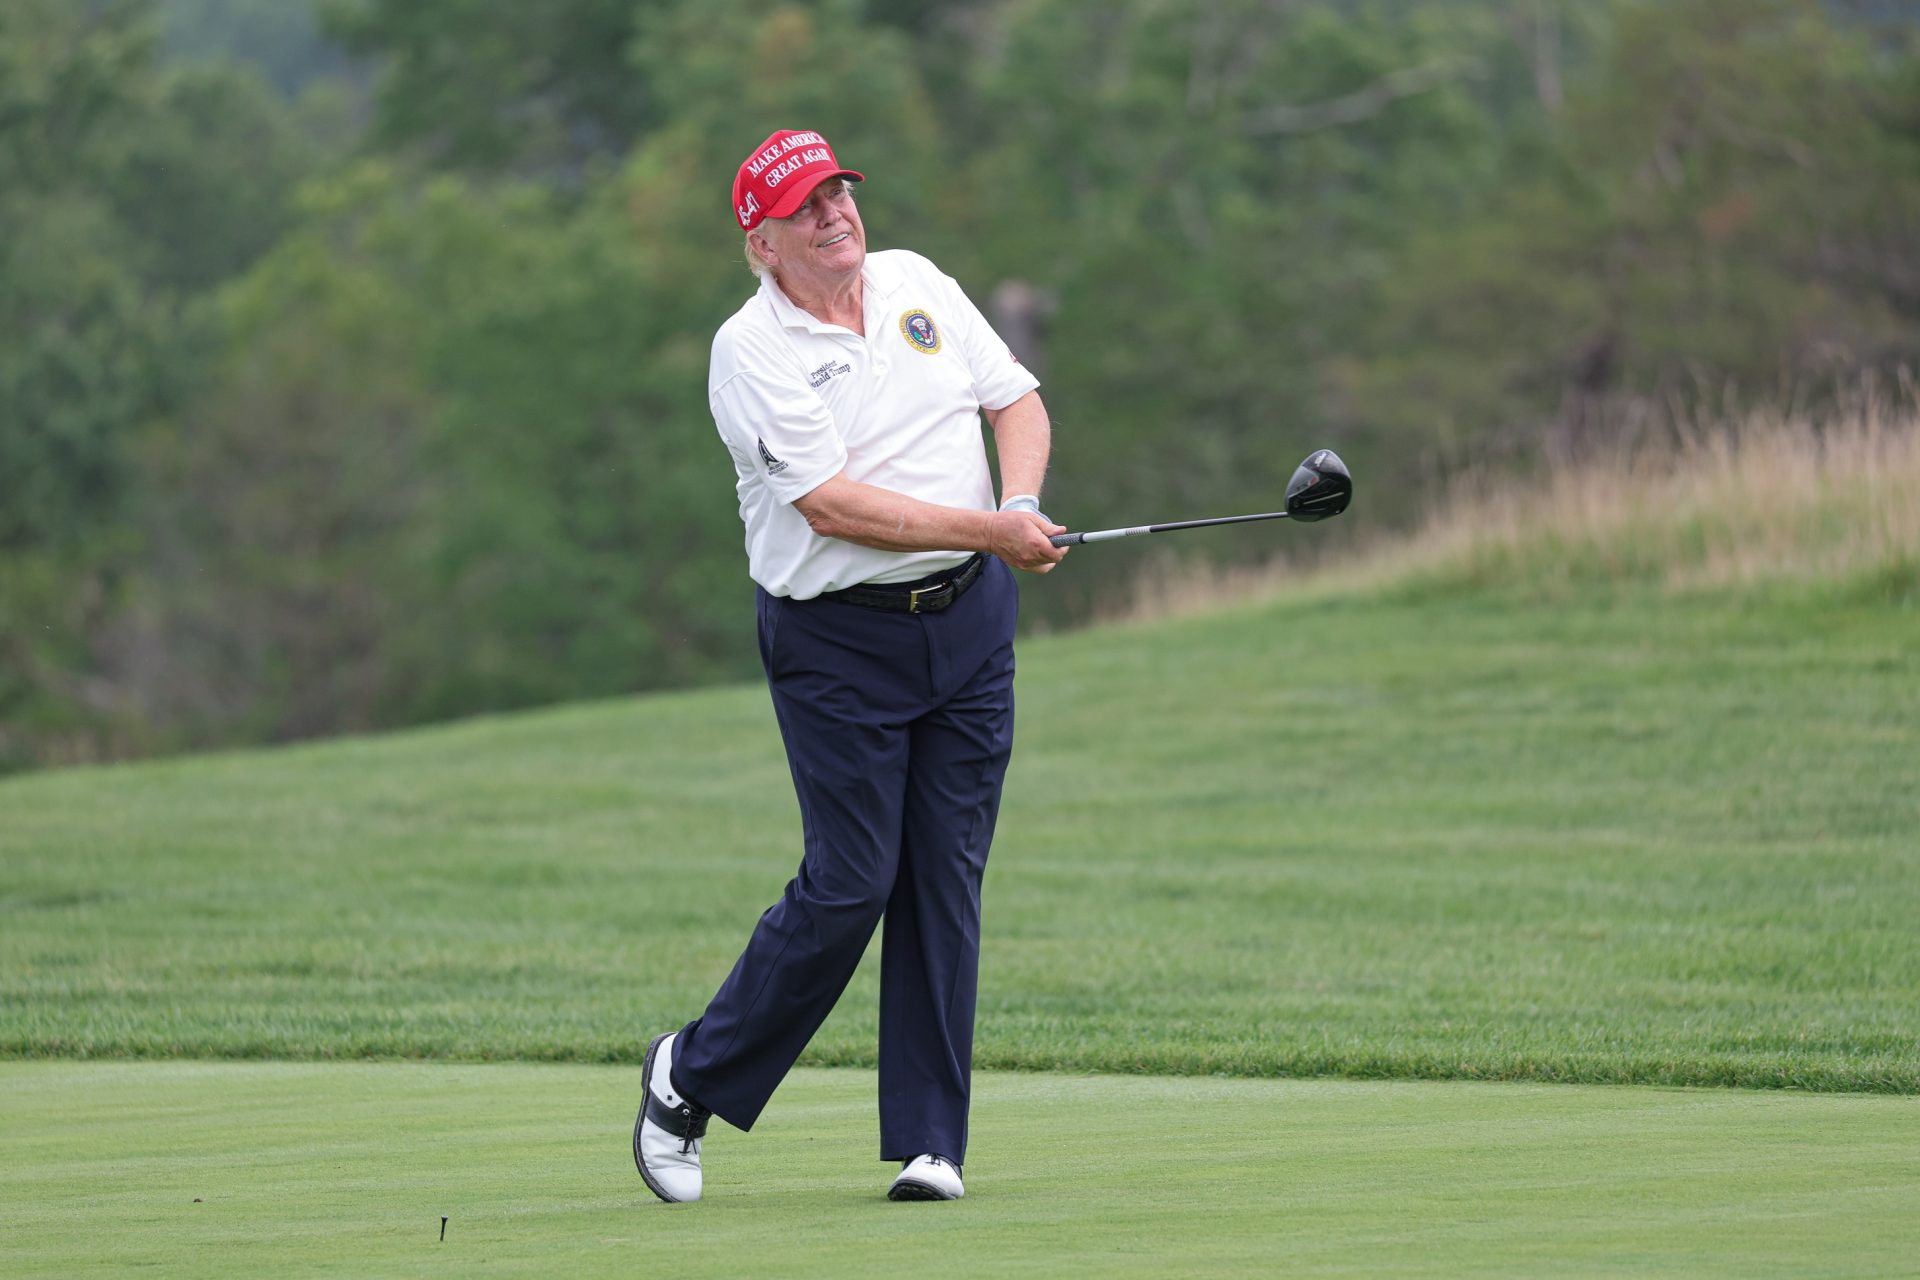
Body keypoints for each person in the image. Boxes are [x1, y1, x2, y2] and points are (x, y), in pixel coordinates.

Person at [633, 128, 1067, 1204]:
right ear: (762, 240)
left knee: (944, 872)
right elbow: (829, 504)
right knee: (849, 882)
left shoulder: (916, 282)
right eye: (805, 206)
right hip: (838, 643)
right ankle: (688, 1076)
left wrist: (1014, 505)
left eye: (839, 194)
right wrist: (987, 526)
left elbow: (1015, 399)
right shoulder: (752, 350)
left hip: (968, 623)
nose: (834, 215)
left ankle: (931, 1140)